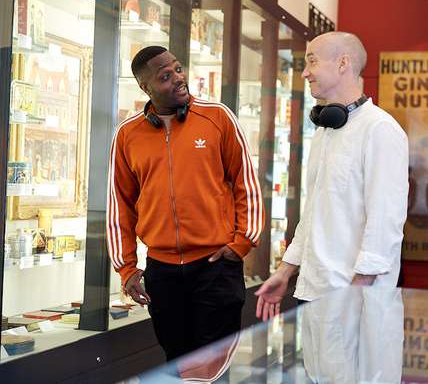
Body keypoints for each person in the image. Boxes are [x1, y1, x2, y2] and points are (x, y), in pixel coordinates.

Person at [107, 46, 264, 360]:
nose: (179, 79)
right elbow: (119, 206)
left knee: (214, 365)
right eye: (165, 76)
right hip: (161, 272)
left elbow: (246, 183)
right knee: (176, 363)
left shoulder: (217, 117)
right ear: (145, 87)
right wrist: (126, 269)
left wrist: (240, 244)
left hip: (216, 266)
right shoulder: (127, 134)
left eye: (178, 69)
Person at [256, 31, 409, 321]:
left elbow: (385, 221)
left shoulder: (380, 130)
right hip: (312, 292)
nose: (305, 72)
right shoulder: (324, 132)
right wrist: (286, 271)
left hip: (353, 301)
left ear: (342, 64)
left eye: (312, 61)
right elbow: (313, 211)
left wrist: (356, 293)